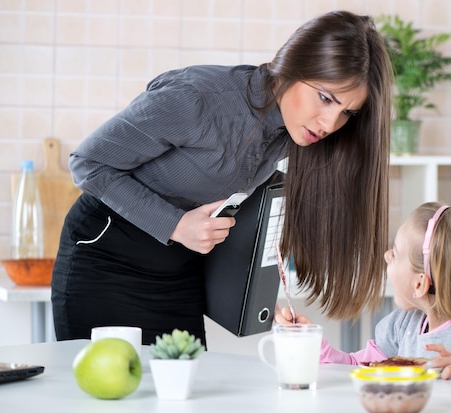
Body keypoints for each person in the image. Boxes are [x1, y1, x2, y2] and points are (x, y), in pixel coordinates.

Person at [51, 10, 393, 345]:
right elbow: (88, 162)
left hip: (177, 274)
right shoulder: (199, 98)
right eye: (325, 98)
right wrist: (176, 225)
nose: (330, 123)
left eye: (347, 112)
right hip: (104, 263)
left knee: (185, 394)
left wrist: (251, 296)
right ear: (293, 66)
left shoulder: (290, 135)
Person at [276, 202, 451, 379]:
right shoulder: (401, 326)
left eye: (395, 253)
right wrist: (312, 343)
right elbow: (361, 367)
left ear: (420, 284)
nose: (386, 255)